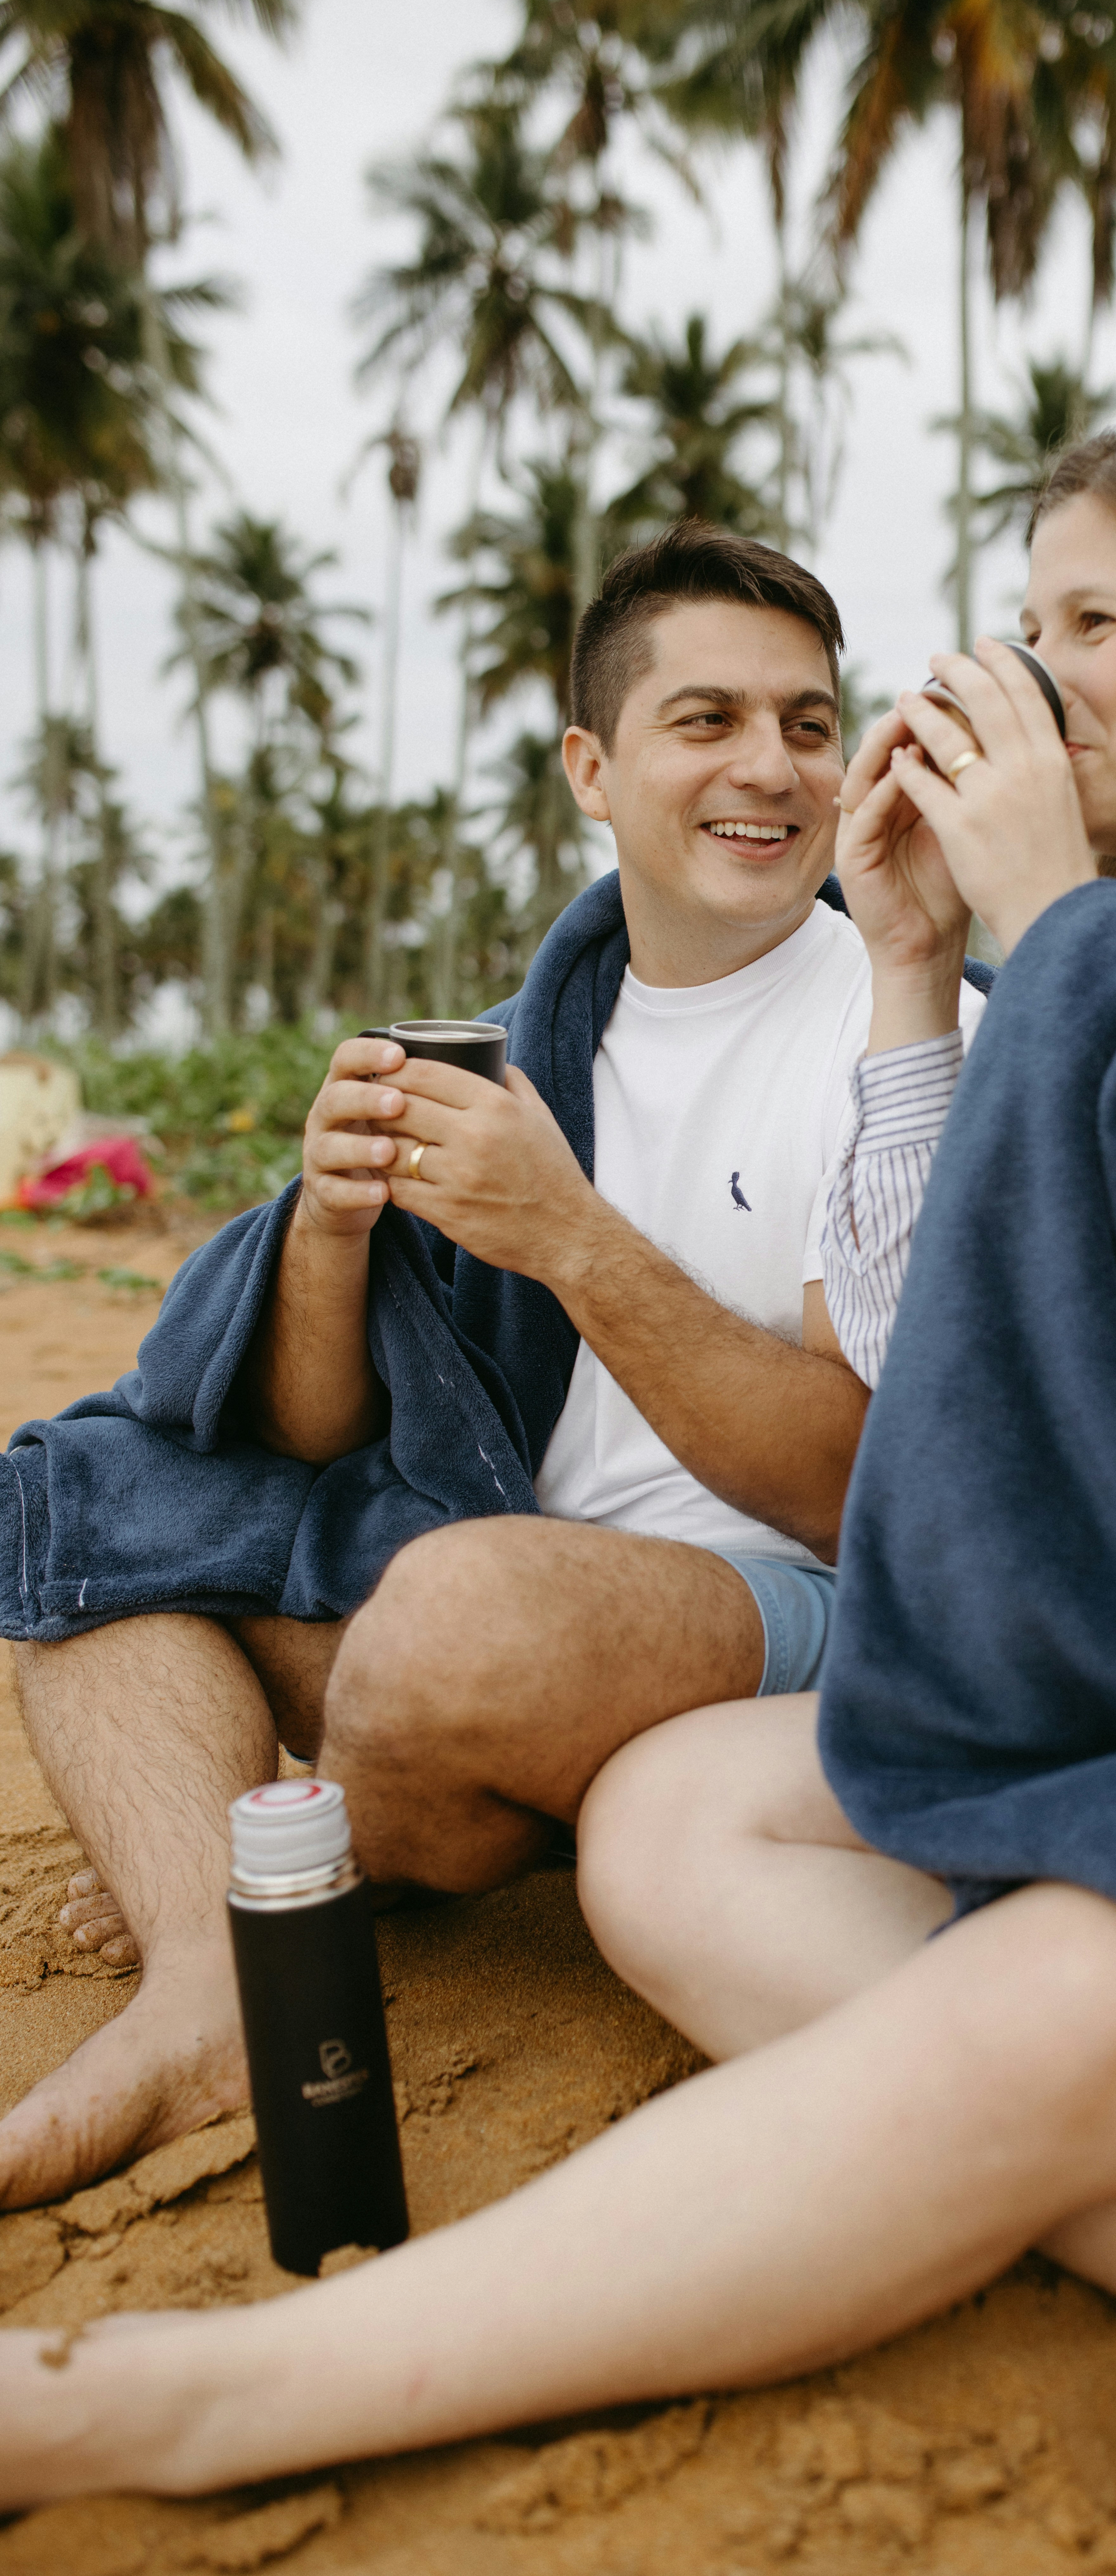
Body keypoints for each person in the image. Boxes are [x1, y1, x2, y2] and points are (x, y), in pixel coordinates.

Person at [7, 416, 1116, 2547]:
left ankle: (183, 2403)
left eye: (1087, 625)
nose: (1027, 675)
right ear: (588, 767)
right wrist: (931, 957)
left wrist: (1036, 922)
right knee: (665, 1815)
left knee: (1031, 2025)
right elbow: (962, 1357)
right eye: (1025, 624)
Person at [0, 520, 982, 2215]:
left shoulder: (895, 1025)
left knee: (457, 1622)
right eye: (709, 722)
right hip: (492, 1582)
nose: (772, 769)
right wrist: (326, 1229)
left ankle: (307, 1852)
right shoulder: (531, 1041)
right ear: (592, 769)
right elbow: (320, 1425)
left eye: (809, 724)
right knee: (80, 1517)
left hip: (776, 1608)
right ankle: (213, 1975)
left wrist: (569, 1235)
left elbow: (864, 1485)